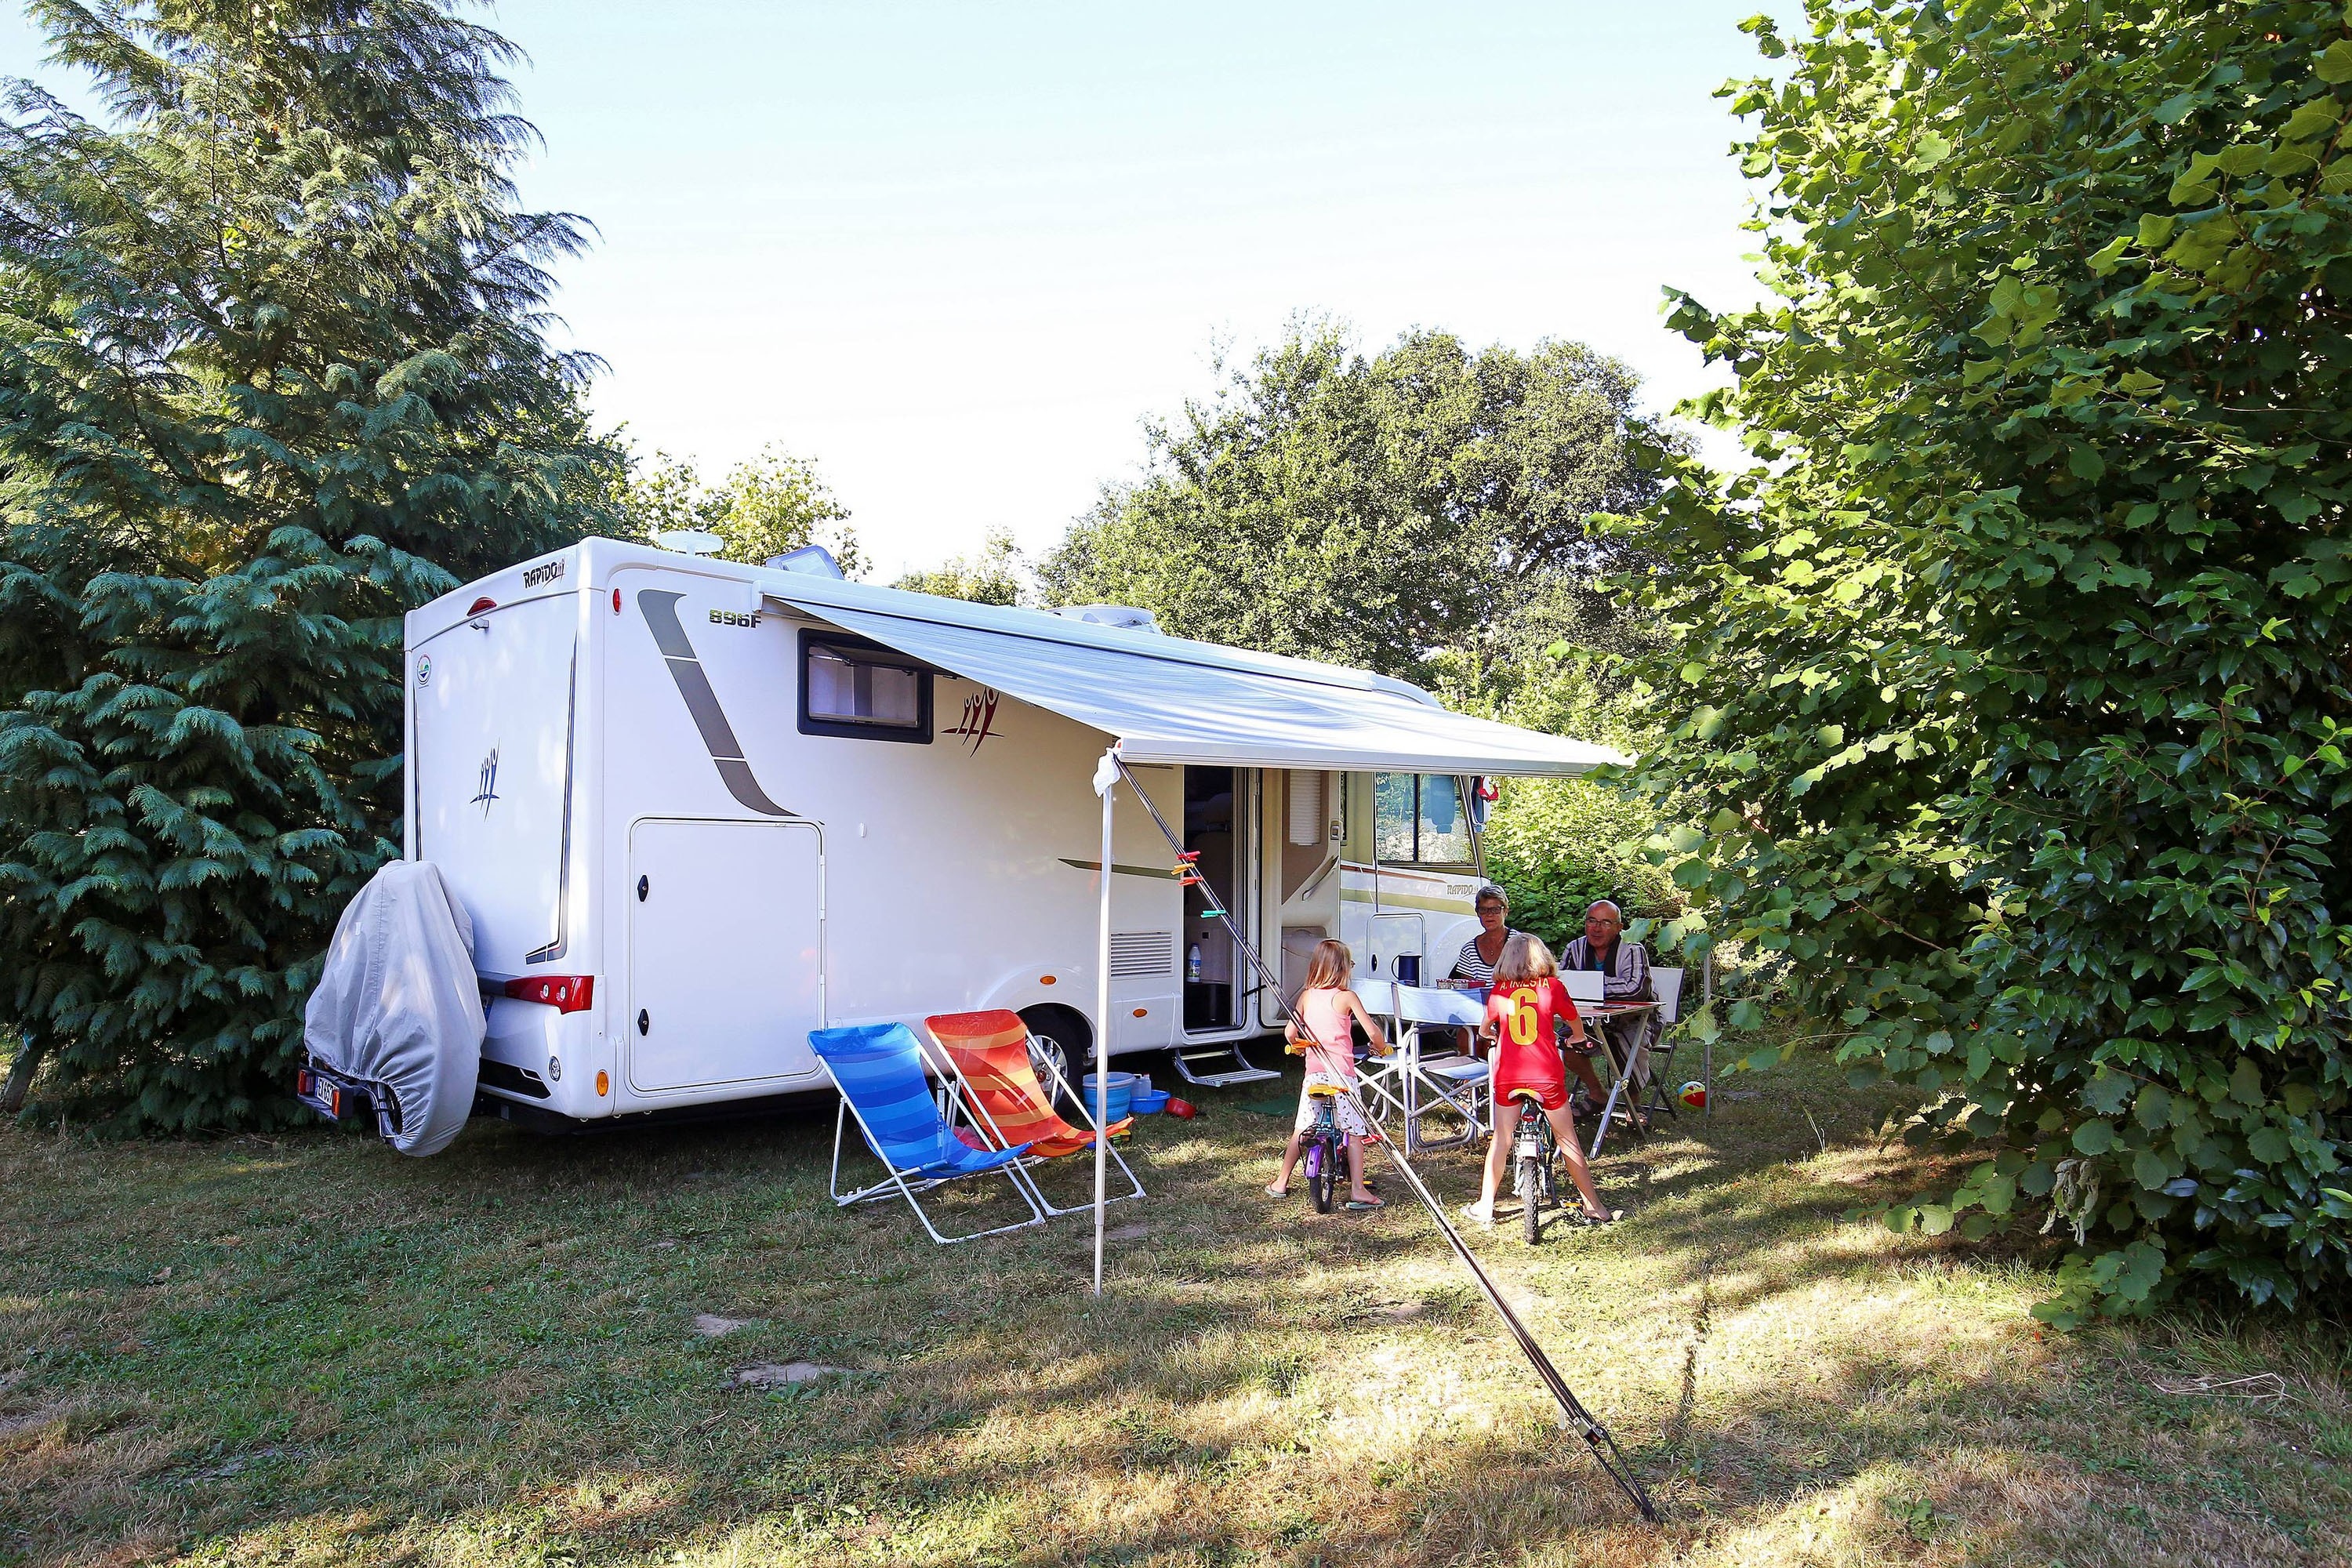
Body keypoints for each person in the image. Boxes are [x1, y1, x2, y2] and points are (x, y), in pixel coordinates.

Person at [1462, 934, 1619, 1226]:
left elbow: (1485, 1028)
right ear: (1543, 958)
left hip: (1509, 1076)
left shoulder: (1500, 991)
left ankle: (1485, 1206)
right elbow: (1573, 1019)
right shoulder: (1553, 987)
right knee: (1567, 1138)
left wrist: (1493, 1035)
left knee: (1502, 1139)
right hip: (1546, 1075)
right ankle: (1594, 1206)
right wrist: (1578, 1037)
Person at [1266, 938, 1387, 1210]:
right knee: (1354, 1133)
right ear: (1344, 968)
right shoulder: (1346, 997)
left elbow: (1290, 1033)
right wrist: (1378, 1047)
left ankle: (1281, 1182)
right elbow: (1374, 1033)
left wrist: (1298, 1049)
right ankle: (1358, 1189)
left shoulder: (1307, 996)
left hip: (1315, 1076)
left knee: (1303, 1128)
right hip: (1342, 1077)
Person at [1559, 899, 1661, 1084]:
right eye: (1592, 921)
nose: (1597, 928)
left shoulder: (1632, 949)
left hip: (1636, 1021)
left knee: (1627, 1042)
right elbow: (1561, 988)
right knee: (1565, 1040)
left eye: (1605, 923)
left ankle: (1633, 1107)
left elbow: (1636, 990)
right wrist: (1604, 987)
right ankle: (1597, 1094)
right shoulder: (1574, 949)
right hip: (1588, 1021)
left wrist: (1589, 986)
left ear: (1619, 927)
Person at [1448, 884, 1522, 989]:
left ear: (1505, 911)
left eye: (1495, 910)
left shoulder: (1520, 944)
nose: (1489, 915)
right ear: (1478, 913)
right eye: (1483, 910)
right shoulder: (1469, 950)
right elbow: (1468, 992)